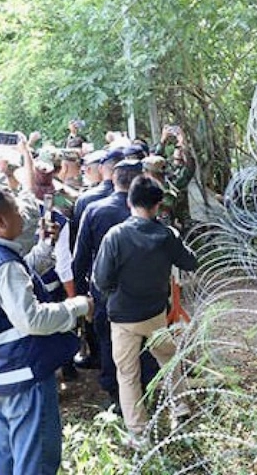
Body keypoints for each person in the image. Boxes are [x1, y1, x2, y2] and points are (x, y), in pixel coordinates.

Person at [0, 186, 93, 474]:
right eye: (17, 212)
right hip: (22, 377)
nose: (23, 217)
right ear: (0, 220)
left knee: (5, 457)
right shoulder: (3, 265)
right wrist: (78, 306)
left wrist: (44, 247)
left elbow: (16, 280)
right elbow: (32, 319)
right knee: (36, 461)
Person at [93, 175, 197, 447]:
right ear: (158, 205)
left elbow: (101, 279)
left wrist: (113, 293)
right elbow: (190, 261)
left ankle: (139, 433)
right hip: (155, 314)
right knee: (168, 358)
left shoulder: (115, 236)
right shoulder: (166, 235)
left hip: (123, 317)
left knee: (128, 375)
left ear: (129, 202)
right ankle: (180, 405)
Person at [73, 159, 149, 405]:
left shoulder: (94, 210)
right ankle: (145, 390)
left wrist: (82, 294)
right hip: (143, 291)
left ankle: (116, 397)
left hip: (106, 291)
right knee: (145, 342)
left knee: (109, 342)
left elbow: (80, 259)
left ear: (113, 179)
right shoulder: (148, 211)